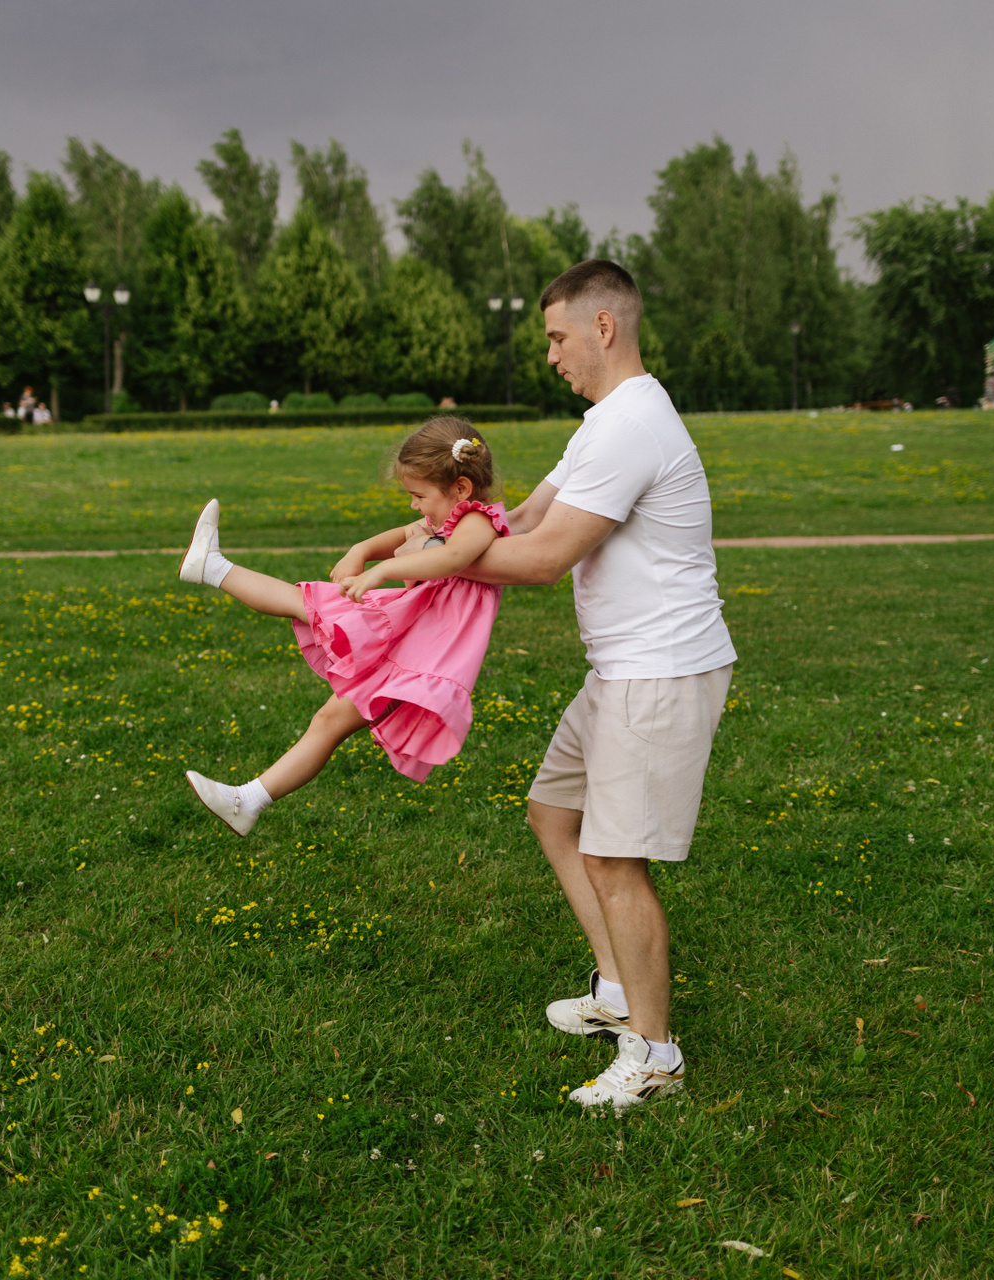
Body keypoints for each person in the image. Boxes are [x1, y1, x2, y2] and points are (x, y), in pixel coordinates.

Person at [458, 259, 736, 1112]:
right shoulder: (602, 423)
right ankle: (616, 992)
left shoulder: (633, 426)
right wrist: (426, 531)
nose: (551, 356)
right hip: (621, 669)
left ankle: (655, 1056)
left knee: (615, 859)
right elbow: (521, 520)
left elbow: (543, 558)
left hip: (660, 670)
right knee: (554, 812)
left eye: (557, 338)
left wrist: (428, 565)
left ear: (603, 328)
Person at [176, 417, 510, 833]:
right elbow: (406, 532)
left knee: (329, 719)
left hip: (421, 653)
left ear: (460, 488)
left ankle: (247, 801)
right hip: (407, 631)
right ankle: (212, 566)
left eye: (418, 495)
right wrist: (361, 550)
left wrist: (382, 570)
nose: (414, 505)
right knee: (307, 613)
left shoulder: (479, 522)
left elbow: (450, 558)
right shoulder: (450, 515)